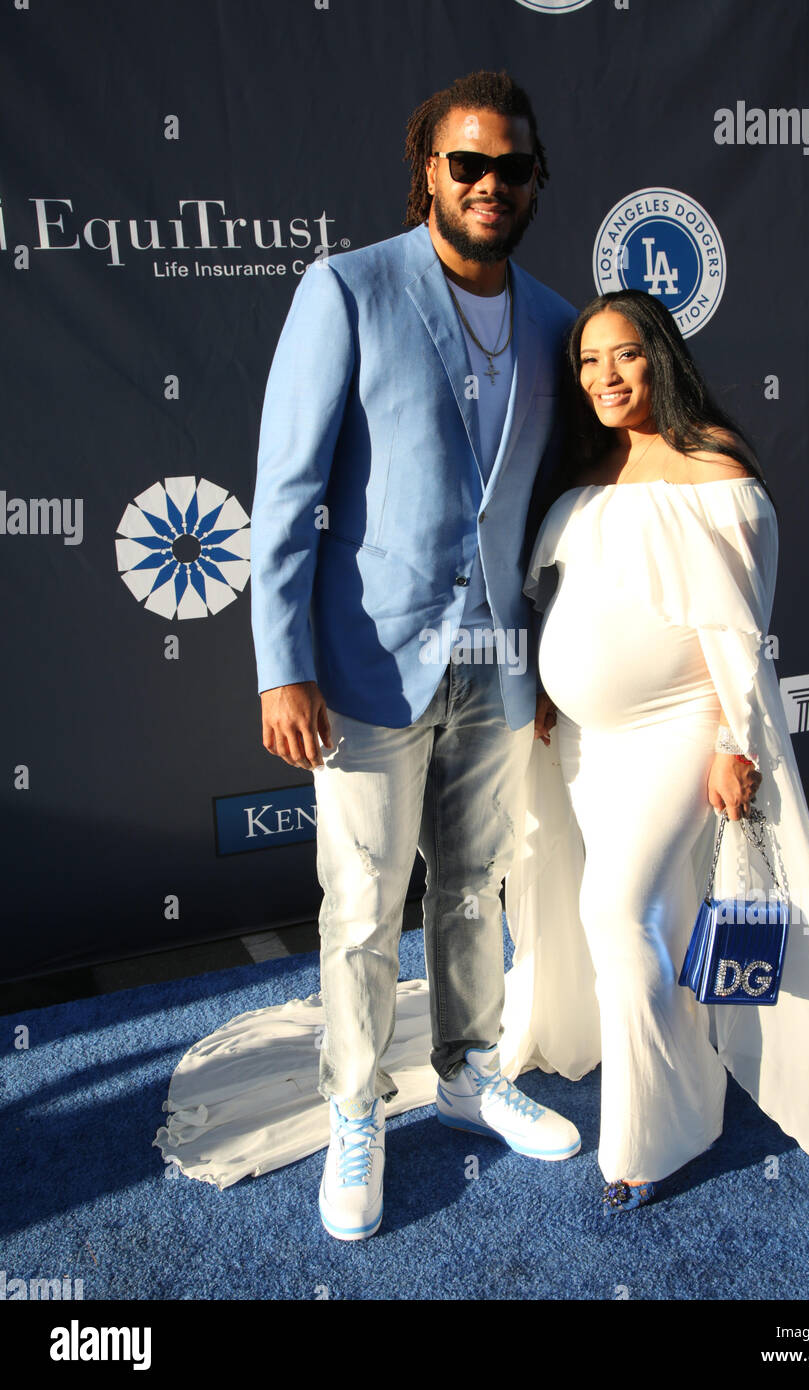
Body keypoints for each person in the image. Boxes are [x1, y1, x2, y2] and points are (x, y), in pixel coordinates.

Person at [248, 70, 579, 1241]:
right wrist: (279, 664)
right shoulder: (345, 289)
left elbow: (553, 502)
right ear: (426, 171)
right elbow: (285, 496)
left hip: (498, 667)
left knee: (476, 887)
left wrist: (551, 663)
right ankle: (354, 1105)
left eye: (514, 167)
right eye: (468, 165)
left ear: (539, 181)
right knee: (359, 909)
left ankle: (471, 1072)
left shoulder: (553, 319)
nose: (491, 185)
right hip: (366, 670)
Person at [497, 289, 809, 1211]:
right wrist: (550, 686)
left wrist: (737, 741)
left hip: (681, 728)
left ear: (659, 356)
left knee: (619, 913)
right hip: (585, 738)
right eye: (587, 362)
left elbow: (737, 623)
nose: (604, 377)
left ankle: (652, 1135)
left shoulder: (712, 462)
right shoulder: (587, 466)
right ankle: (687, 1073)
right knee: (646, 915)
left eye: (623, 355)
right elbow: (564, 597)